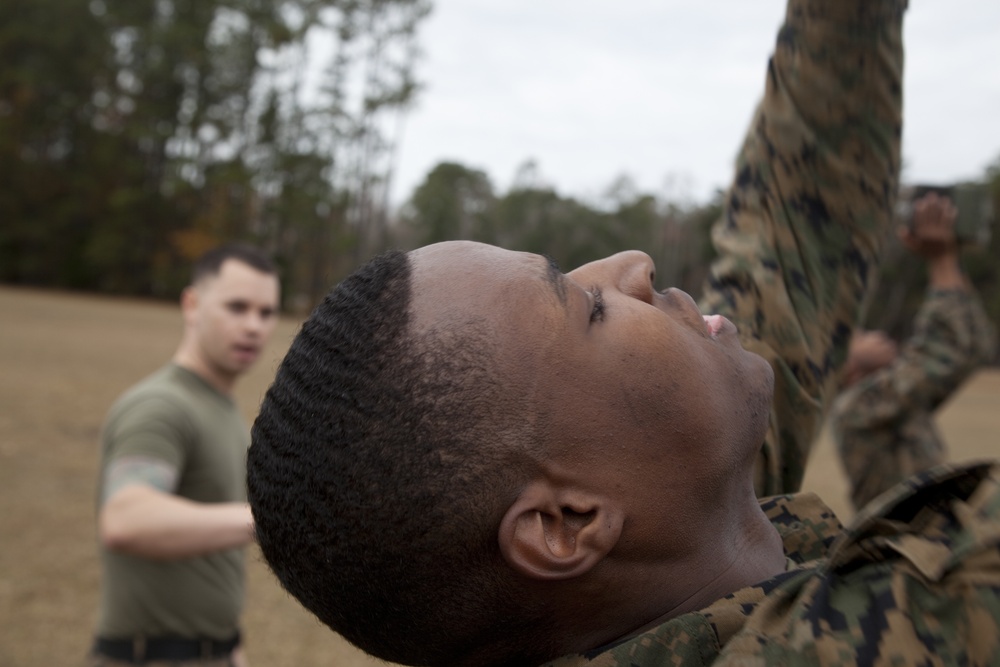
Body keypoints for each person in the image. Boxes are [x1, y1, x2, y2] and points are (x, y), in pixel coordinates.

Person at [248, 0, 1000, 666]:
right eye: (589, 308)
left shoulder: (659, 551)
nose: (632, 265)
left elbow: (794, 241)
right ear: (566, 524)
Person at [91, 243, 280, 667]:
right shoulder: (161, 406)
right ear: (192, 305)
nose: (254, 326)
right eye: (237, 307)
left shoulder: (220, 406)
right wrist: (266, 519)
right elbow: (125, 518)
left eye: (266, 312)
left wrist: (230, 650)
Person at [831, 192, 998, 511]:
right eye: (859, 335)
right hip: (904, 553)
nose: (874, 334)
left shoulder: (893, 403)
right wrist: (941, 259)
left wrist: (949, 258)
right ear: (845, 368)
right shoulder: (858, 408)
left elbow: (974, 344)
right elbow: (948, 352)